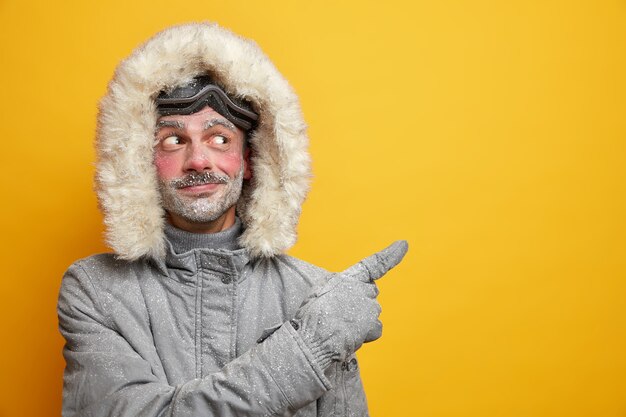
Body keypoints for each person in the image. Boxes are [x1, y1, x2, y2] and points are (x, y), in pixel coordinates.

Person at [57, 22, 408, 417]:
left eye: (220, 138)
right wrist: (310, 348)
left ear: (249, 160)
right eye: (173, 140)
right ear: (140, 161)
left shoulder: (317, 297)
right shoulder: (95, 292)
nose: (198, 161)